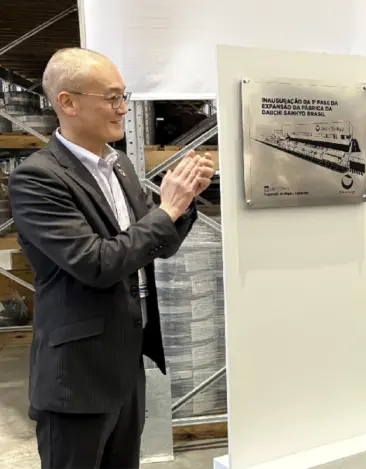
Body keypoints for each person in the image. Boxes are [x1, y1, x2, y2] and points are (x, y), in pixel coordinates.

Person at [8, 47, 216, 468]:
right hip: (78, 377)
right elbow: (97, 264)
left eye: (124, 96)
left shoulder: (118, 164)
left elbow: (156, 245)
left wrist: (183, 204)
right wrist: (167, 209)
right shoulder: (38, 177)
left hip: (125, 366)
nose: (122, 108)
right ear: (68, 102)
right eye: (112, 98)